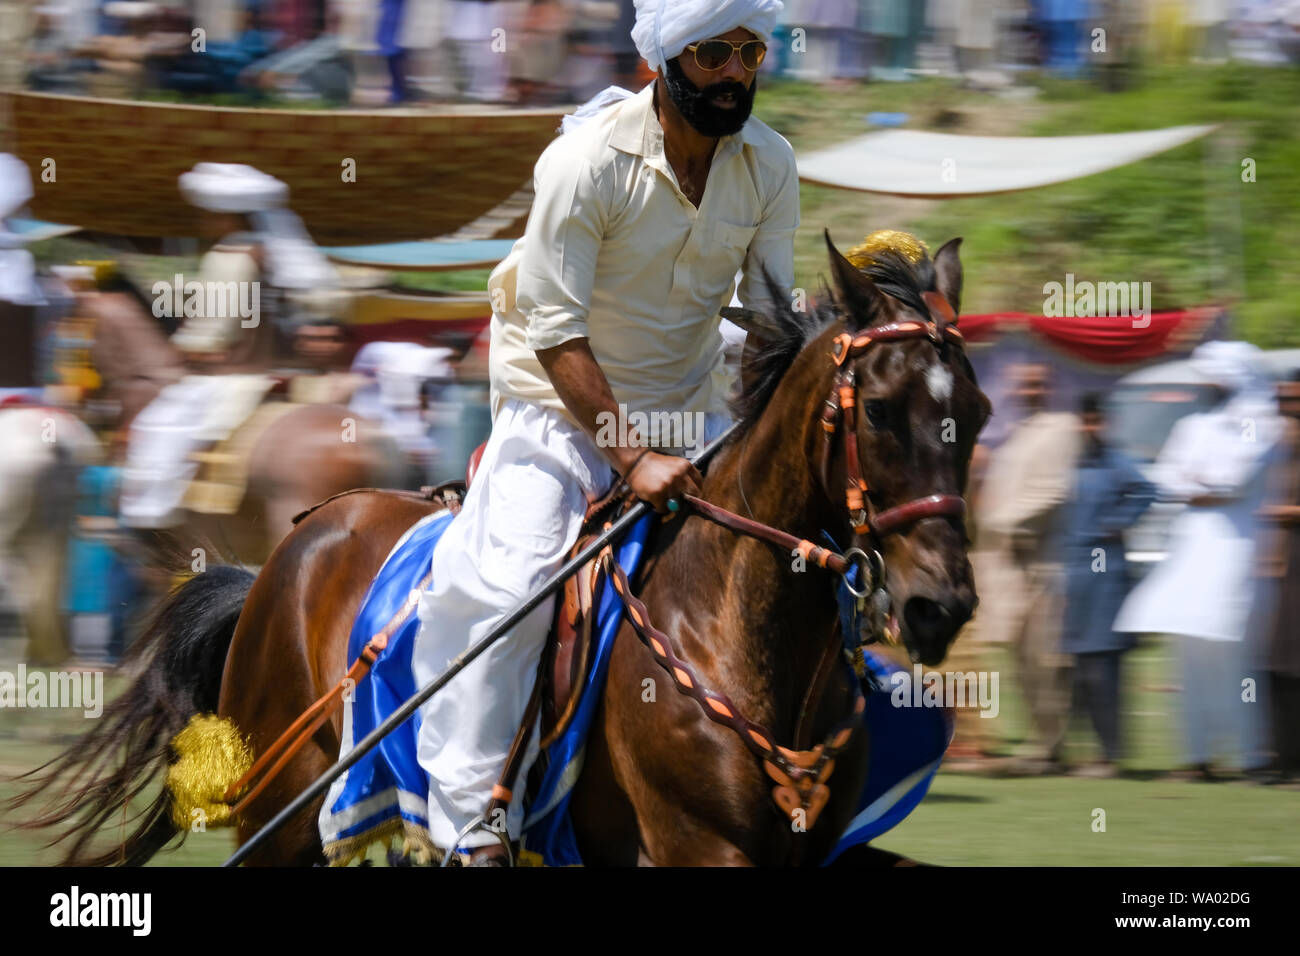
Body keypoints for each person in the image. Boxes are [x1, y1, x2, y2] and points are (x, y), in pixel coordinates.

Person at [408, 0, 796, 864]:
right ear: (664, 61)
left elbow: (769, 323)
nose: (736, 71)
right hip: (558, 416)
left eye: (750, 50)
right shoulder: (583, 160)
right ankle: (474, 826)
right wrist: (629, 453)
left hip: (694, 419)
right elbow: (553, 330)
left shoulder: (772, 163)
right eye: (713, 53)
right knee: (514, 594)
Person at [1113, 341, 1284, 781]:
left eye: (1215, 376)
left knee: (1235, 661)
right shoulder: (1194, 424)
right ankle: (1197, 757)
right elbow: (1168, 478)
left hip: (1234, 556)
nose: (1207, 385)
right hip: (1189, 554)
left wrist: (1194, 479)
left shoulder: (1263, 427)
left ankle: (1250, 758)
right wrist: (1195, 480)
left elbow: (1228, 483)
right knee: (1187, 660)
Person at [976, 362, 1081, 774]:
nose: (1029, 390)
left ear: (1049, 386)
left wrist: (1006, 520)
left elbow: (1056, 491)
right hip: (1009, 566)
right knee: (1021, 659)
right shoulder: (1019, 434)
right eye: (1024, 384)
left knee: (1046, 658)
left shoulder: (1063, 428)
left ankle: (1052, 746)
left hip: (1045, 564)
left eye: (1037, 383)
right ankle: (1040, 743)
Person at [1059, 392, 1155, 777]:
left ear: (1106, 423)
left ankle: (1109, 756)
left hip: (1107, 578)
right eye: (1085, 421)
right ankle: (1084, 753)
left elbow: (1148, 491)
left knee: (1104, 671)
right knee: (1080, 670)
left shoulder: (1116, 462)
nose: (1091, 428)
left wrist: (1116, 523)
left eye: (1096, 422)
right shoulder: (1075, 465)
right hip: (1077, 577)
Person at [1256, 372, 1300, 784]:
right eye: (1283, 397)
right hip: (1284, 570)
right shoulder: (1280, 443)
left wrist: (1284, 514)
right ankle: (1281, 760)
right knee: (1278, 666)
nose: (1287, 404)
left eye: (1293, 398)